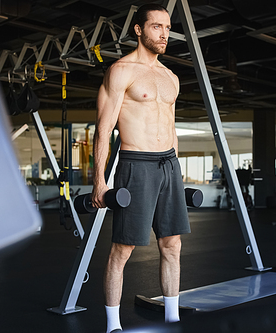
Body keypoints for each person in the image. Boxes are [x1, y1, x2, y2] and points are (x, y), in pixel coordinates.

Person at [91, 4, 191, 333]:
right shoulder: (121, 71)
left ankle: (172, 319)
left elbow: (172, 128)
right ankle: (112, 326)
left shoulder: (171, 77)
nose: (164, 33)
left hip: (168, 165)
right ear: (139, 30)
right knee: (123, 248)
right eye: (156, 27)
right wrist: (99, 181)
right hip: (136, 164)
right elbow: (104, 130)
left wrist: (177, 170)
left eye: (167, 27)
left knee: (172, 244)